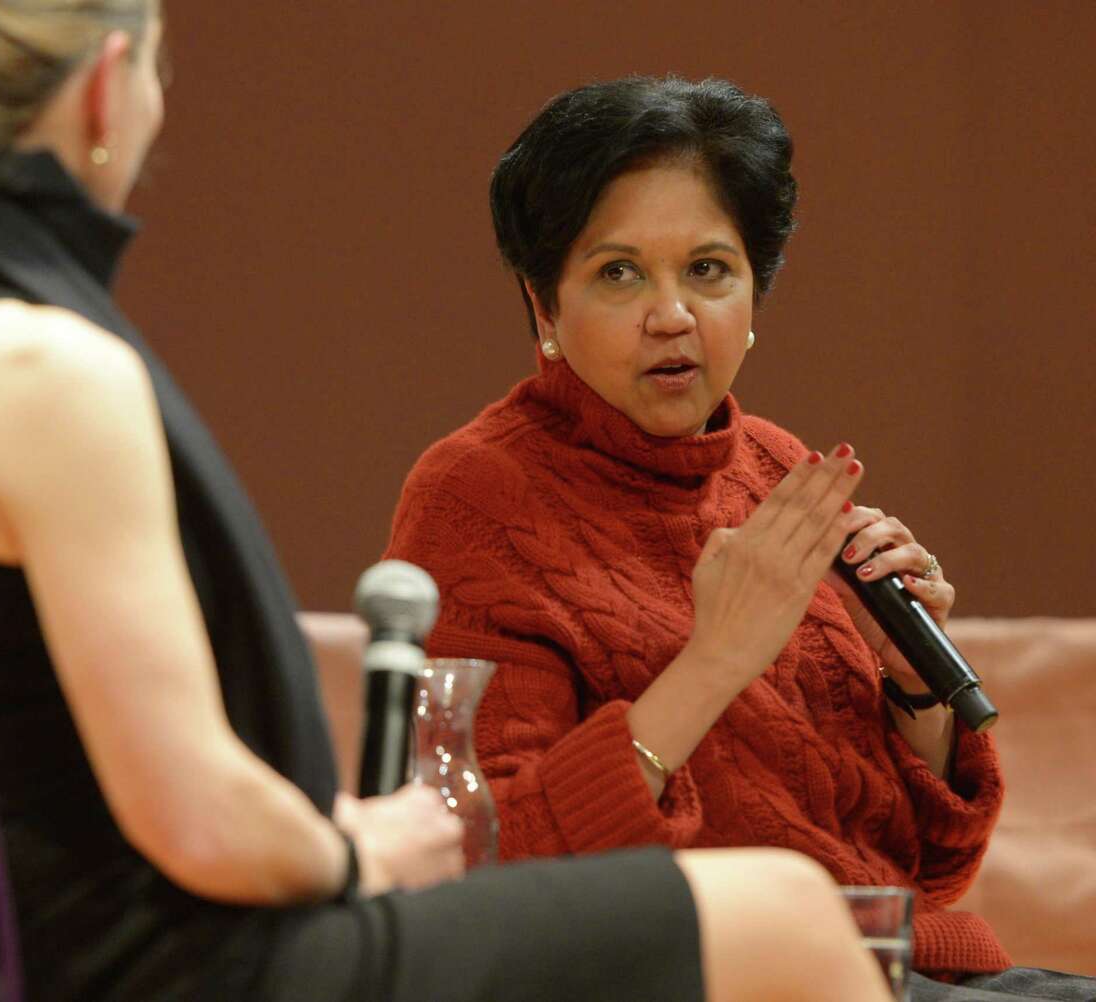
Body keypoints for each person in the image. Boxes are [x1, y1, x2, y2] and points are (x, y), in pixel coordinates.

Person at [0, 5, 899, 1001]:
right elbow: (198, 822)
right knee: (785, 915)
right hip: (197, 970)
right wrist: (356, 849)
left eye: (711, 270)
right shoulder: (42, 369)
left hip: (54, 964)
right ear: (110, 87)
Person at [384, 75, 1096, 1000]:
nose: (673, 314)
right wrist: (714, 660)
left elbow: (923, 863)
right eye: (619, 272)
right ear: (543, 308)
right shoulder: (476, 495)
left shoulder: (776, 467)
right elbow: (495, 858)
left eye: (709, 270)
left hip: (904, 970)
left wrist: (912, 687)